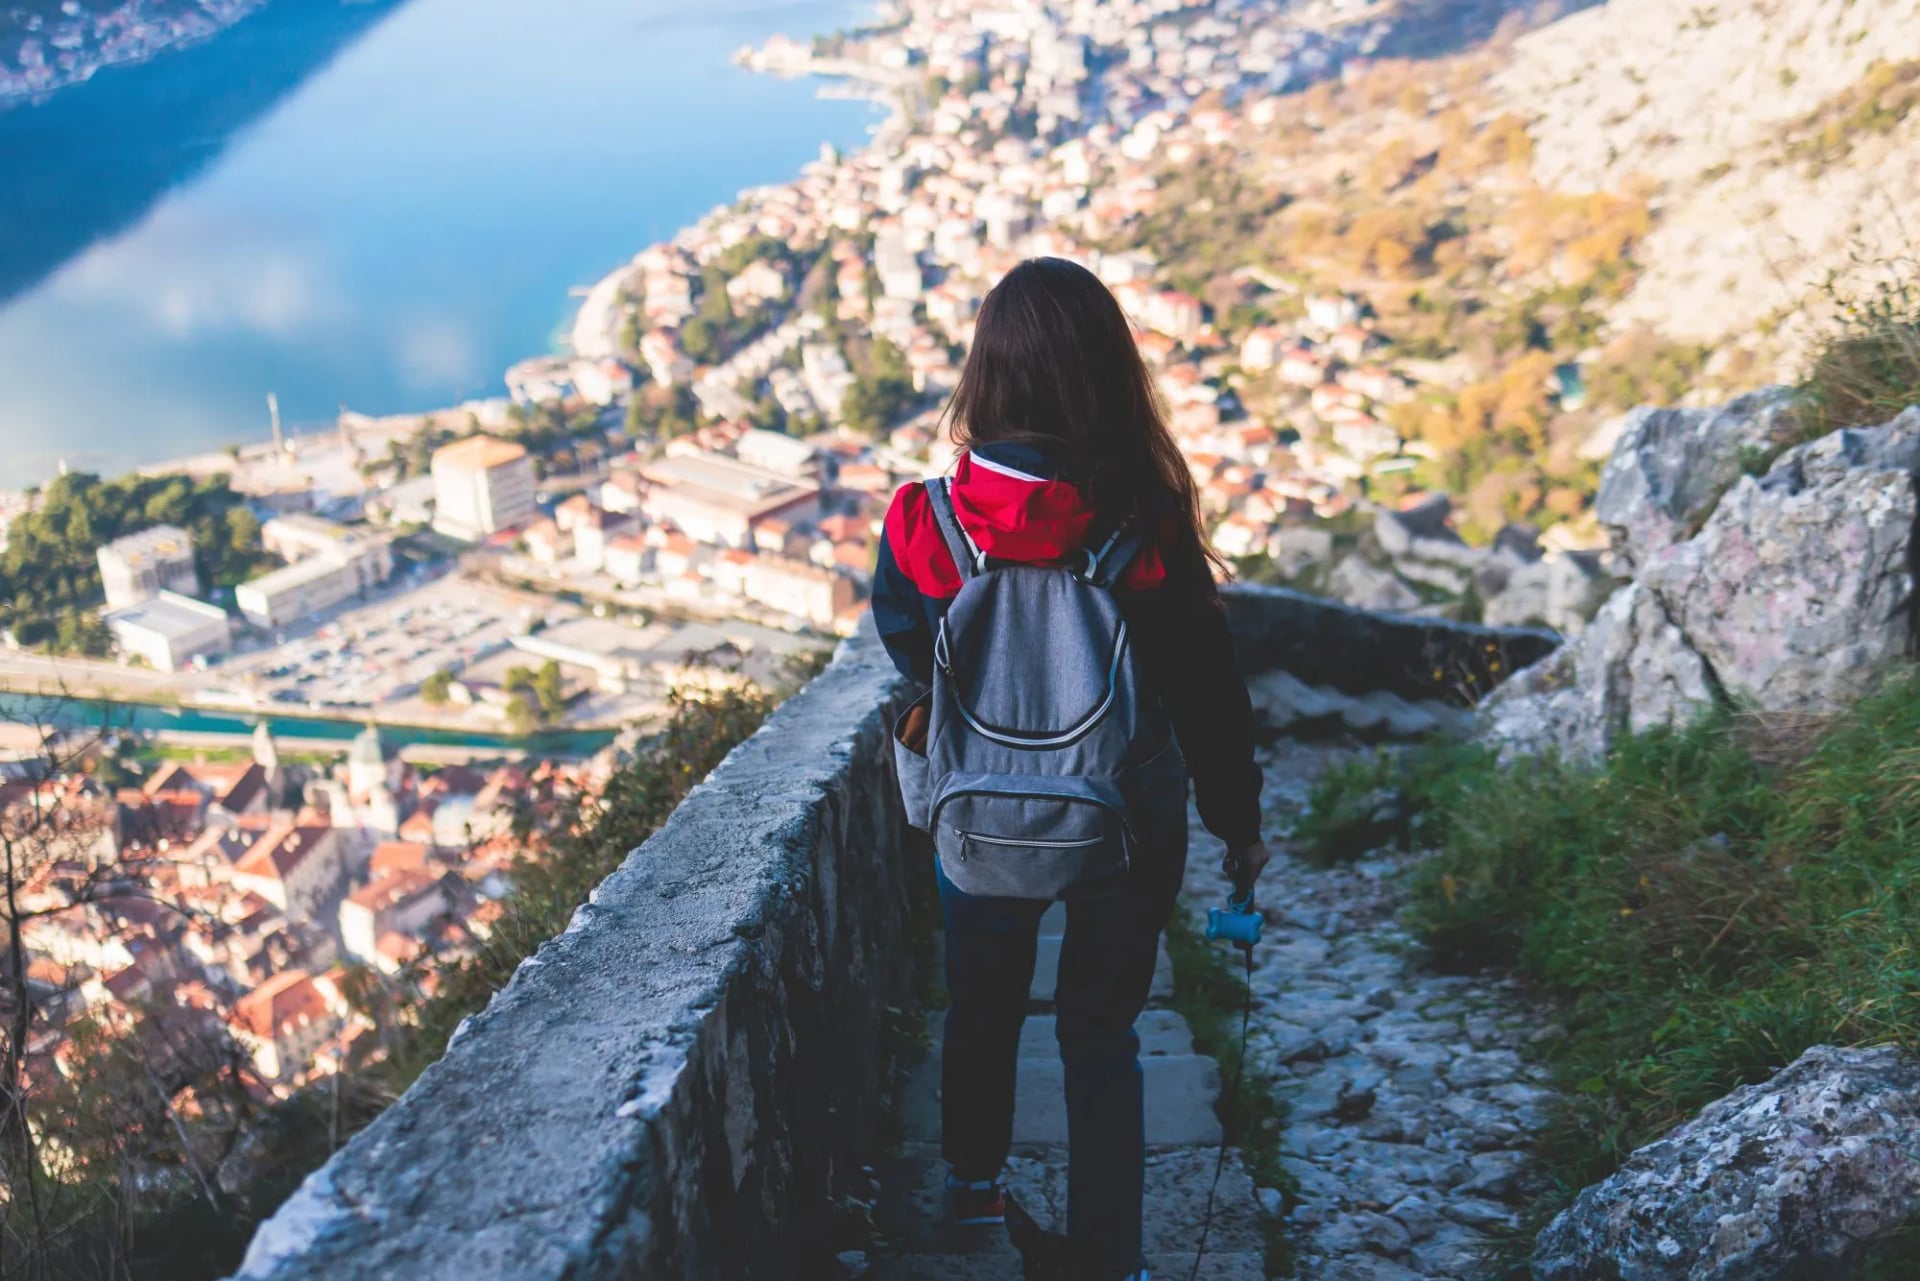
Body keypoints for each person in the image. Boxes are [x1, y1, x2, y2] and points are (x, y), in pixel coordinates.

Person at [871, 256, 1271, 1281]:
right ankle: (1113, 1258)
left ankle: (971, 1190)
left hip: (976, 821)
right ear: (1107, 370)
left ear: (985, 372)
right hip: (1124, 827)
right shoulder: (1142, 527)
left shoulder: (924, 523)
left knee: (984, 1009)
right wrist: (1238, 821)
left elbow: (908, 647)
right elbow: (1204, 690)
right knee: (1101, 1037)